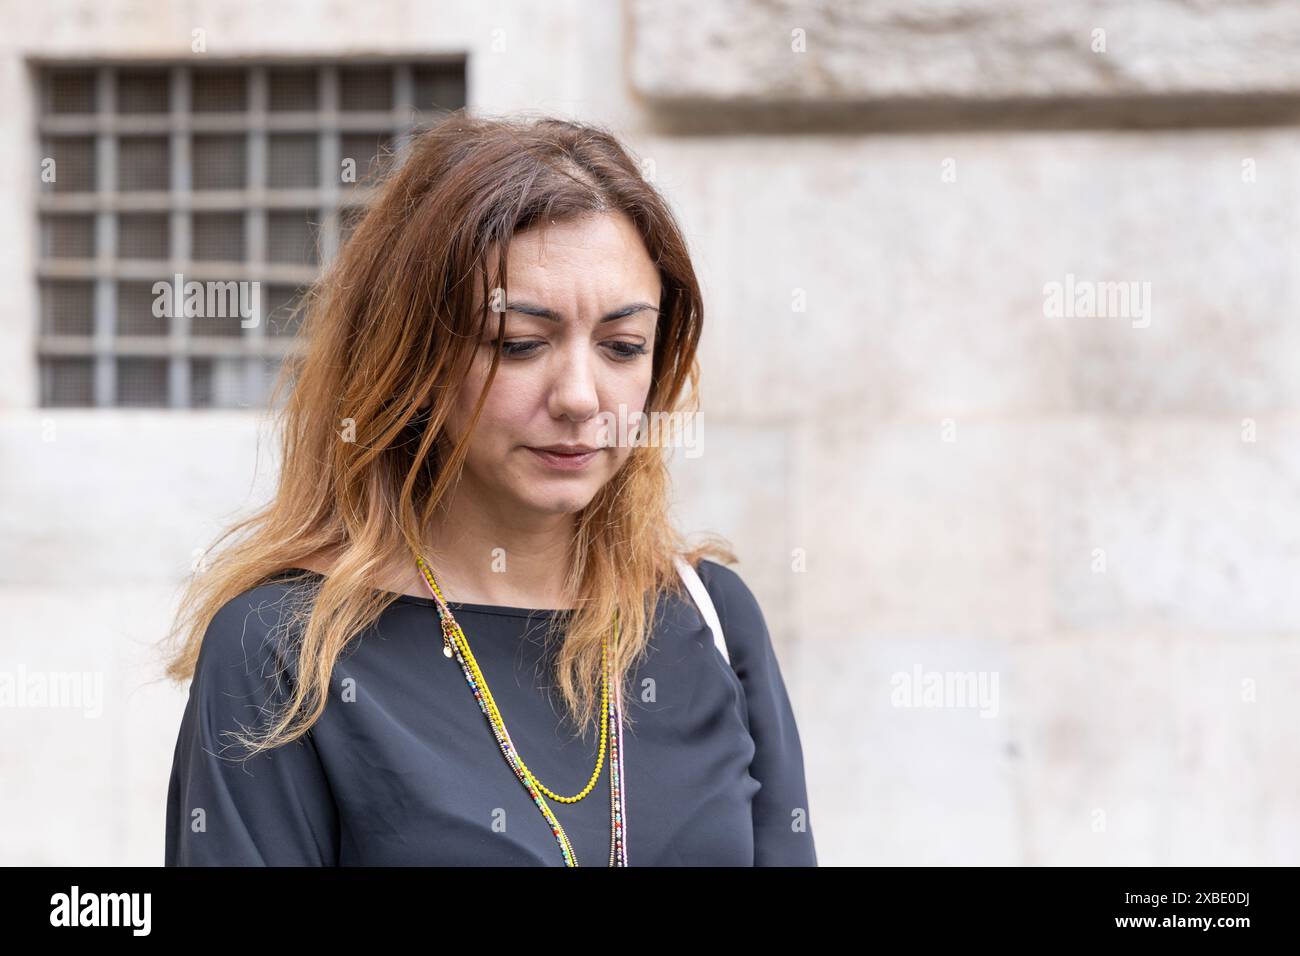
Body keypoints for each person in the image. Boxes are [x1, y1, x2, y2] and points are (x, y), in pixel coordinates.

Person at [161, 110, 816, 866]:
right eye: (520, 345)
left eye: (622, 346)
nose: (580, 396)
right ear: (415, 361)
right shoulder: (286, 652)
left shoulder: (712, 618)